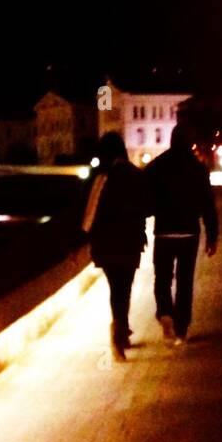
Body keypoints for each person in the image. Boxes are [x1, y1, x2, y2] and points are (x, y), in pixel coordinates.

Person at [145, 122, 218, 345]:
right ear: (190, 142)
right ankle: (181, 328)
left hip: (164, 232)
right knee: (185, 281)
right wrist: (212, 236)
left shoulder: (157, 166)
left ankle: (165, 312)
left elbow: (145, 197)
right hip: (189, 233)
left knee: (163, 278)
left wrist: (152, 211)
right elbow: (208, 205)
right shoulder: (198, 169)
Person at [82, 131, 149, 363]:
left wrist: (77, 243)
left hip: (106, 243)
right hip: (130, 241)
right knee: (125, 288)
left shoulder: (101, 177)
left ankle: (119, 330)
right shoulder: (136, 175)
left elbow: (89, 213)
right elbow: (147, 207)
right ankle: (121, 330)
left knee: (115, 289)